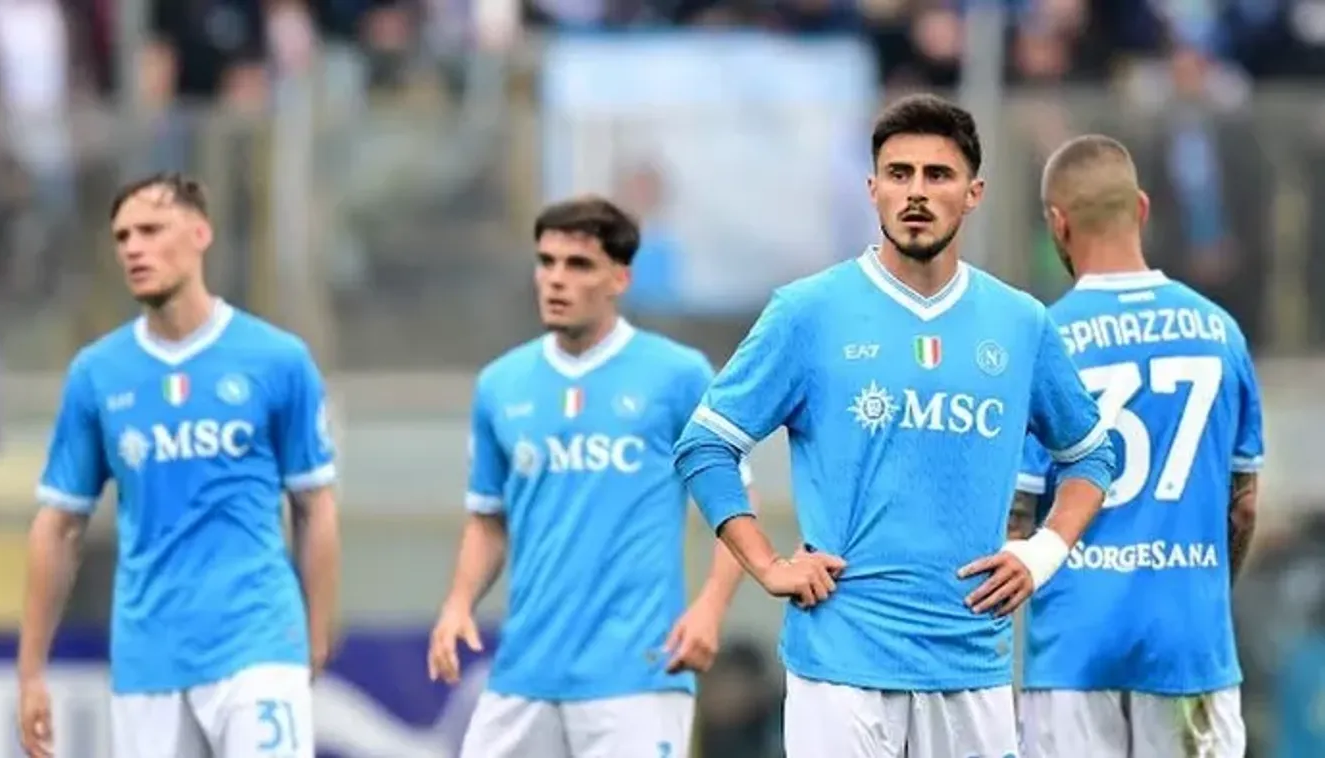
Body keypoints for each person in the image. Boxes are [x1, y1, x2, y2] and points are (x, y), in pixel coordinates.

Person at [673, 93, 1117, 758]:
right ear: (873, 188)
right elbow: (706, 444)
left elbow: (1090, 455)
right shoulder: (808, 311)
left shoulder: (1020, 323)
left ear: (973, 193)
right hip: (840, 666)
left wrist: (1041, 553)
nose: (916, 192)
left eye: (937, 175)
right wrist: (767, 564)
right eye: (898, 173)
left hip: (971, 664)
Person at [16, 174, 340, 758]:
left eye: (150, 230)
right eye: (122, 237)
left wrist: (315, 634)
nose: (133, 248)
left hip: (258, 640)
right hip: (148, 656)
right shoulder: (97, 374)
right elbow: (59, 524)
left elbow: (314, 505)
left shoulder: (277, 359)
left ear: (200, 233)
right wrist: (31, 670)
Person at [428, 195, 755, 758]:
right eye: (546, 261)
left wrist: (709, 609)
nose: (556, 279)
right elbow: (487, 519)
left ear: (619, 278)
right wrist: (458, 603)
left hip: (638, 676)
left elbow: (735, 504)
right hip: (524, 674)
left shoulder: (677, 375)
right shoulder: (500, 384)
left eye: (578, 265)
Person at [1013, 134, 1263, 758]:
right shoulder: (1220, 332)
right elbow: (1243, 507)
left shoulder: (1045, 341)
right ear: (1143, 208)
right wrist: (1203, 591)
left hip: (1075, 651)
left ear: (1057, 223)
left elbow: (1018, 516)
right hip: (1189, 649)